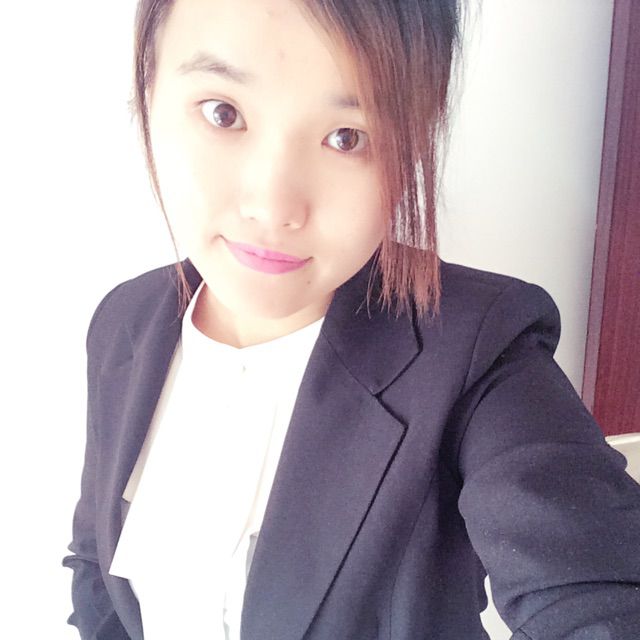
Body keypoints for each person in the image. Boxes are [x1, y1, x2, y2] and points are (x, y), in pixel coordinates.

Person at [62, 0, 640, 638]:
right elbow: (96, 565)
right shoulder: (125, 322)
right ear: (148, 92)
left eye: (347, 137)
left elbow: (593, 594)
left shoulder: (481, 350)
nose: (273, 206)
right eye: (223, 112)